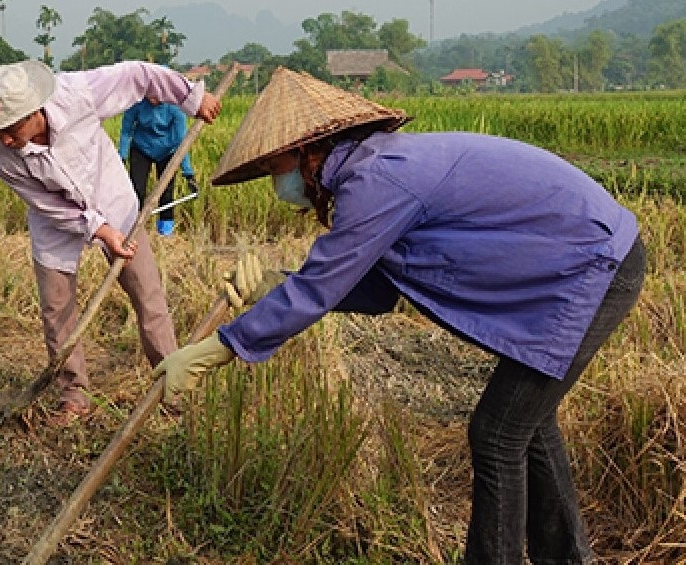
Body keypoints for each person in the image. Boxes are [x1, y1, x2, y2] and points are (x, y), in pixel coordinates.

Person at [154, 66, 644, 564]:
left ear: (306, 149)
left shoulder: (377, 179)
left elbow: (321, 288)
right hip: (578, 263)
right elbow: (372, 288)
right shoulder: (376, 166)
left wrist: (216, 349)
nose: (274, 179)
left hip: (592, 265)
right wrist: (276, 285)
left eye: (275, 163)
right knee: (526, 424)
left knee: (497, 433)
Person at [0, 60, 221, 422]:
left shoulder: (75, 94)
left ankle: (172, 387)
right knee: (57, 308)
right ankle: (74, 394)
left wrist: (191, 99)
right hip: (57, 224)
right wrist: (97, 229)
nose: (3, 139)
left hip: (115, 202)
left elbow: (137, 76)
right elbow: (48, 205)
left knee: (147, 294)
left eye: (10, 128)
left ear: (34, 111)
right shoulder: (4, 159)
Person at [118, 96, 199, 236]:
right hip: (141, 148)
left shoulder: (175, 108)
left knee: (166, 192)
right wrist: (121, 158)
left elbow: (182, 141)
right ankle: (135, 230)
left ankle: (165, 232)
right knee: (137, 190)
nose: (155, 98)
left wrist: (188, 173)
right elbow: (126, 132)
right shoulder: (136, 104)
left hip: (168, 151)